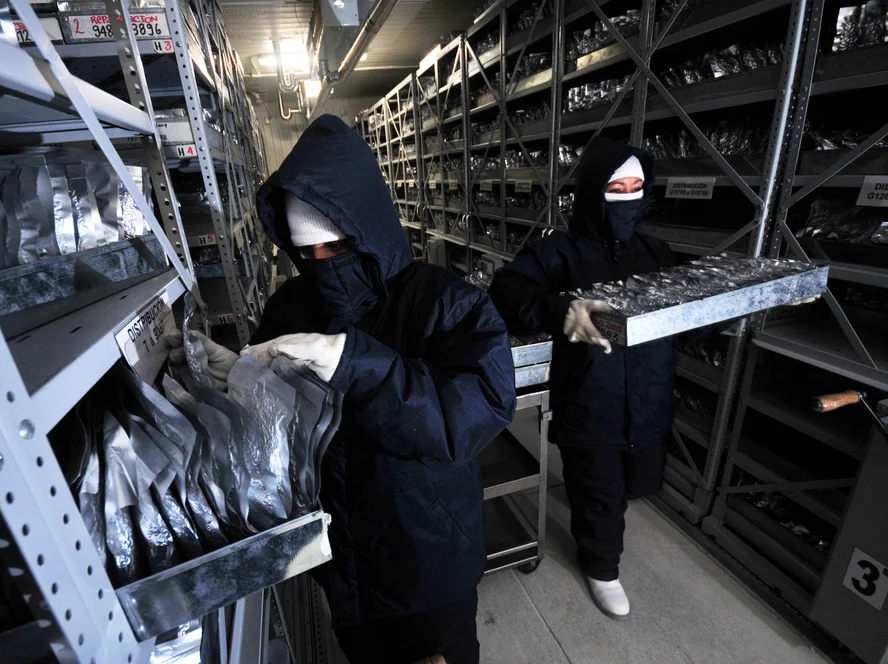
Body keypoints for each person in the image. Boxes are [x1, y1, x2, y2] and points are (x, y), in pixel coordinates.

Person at [244, 114, 517, 664]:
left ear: (368, 228)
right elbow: (274, 423)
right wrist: (238, 377)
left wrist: (358, 364)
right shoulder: (289, 307)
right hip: (341, 555)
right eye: (307, 252)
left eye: (336, 247)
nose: (321, 264)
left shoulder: (446, 304)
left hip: (427, 559)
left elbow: (475, 411)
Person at [487, 137, 675, 621]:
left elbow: (689, 314)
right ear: (593, 190)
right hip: (591, 395)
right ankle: (602, 566)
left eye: (635, 188)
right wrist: (562, 310)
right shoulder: (559, 253)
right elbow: (506, 290)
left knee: (631, 479)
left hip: (649, 393)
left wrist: (742, 307)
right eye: (616, 188)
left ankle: (600, 524)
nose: (627, 198)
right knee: (598, 485)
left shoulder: (655, 253)